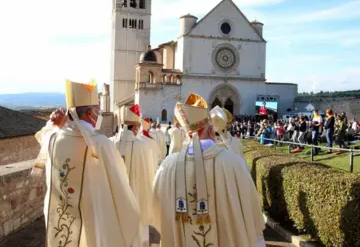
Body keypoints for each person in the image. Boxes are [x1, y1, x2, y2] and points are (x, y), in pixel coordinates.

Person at [31, 79, 141, 247]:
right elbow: (119, 183)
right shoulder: (102, 144)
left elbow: (43, 135)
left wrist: (55, 123)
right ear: (90, 113)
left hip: (60, 216)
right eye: (98, 110)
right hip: (93, 217)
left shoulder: (53, 138)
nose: (100, 114)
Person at [151, 93, 266, 246]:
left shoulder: (168, 166)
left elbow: (158, 210)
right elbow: (251, 211)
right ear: (212, 131)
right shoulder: (233, 163)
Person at [111, 105, 155, 247]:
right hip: (137, 199)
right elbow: (150, 174)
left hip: (116, 199)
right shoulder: (142, 146)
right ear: (136, 128)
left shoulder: (111, 143)